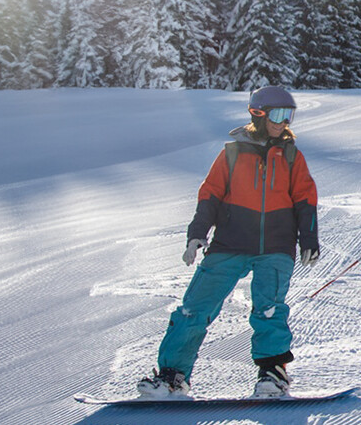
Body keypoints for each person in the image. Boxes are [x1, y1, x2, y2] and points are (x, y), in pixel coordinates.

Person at [136, 86, 321, 399]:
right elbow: (210, 194)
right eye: (278, 114)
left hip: (275, 246)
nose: (283, 122)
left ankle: (272, 375)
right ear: (258, 114)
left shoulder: (291, 155)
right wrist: (197, 233)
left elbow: (305, 198)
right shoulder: (232, 153)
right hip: (229, 244)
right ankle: (172, 376)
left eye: (288, 115)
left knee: (269, 310)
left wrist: (309, 238)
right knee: (194, 309)